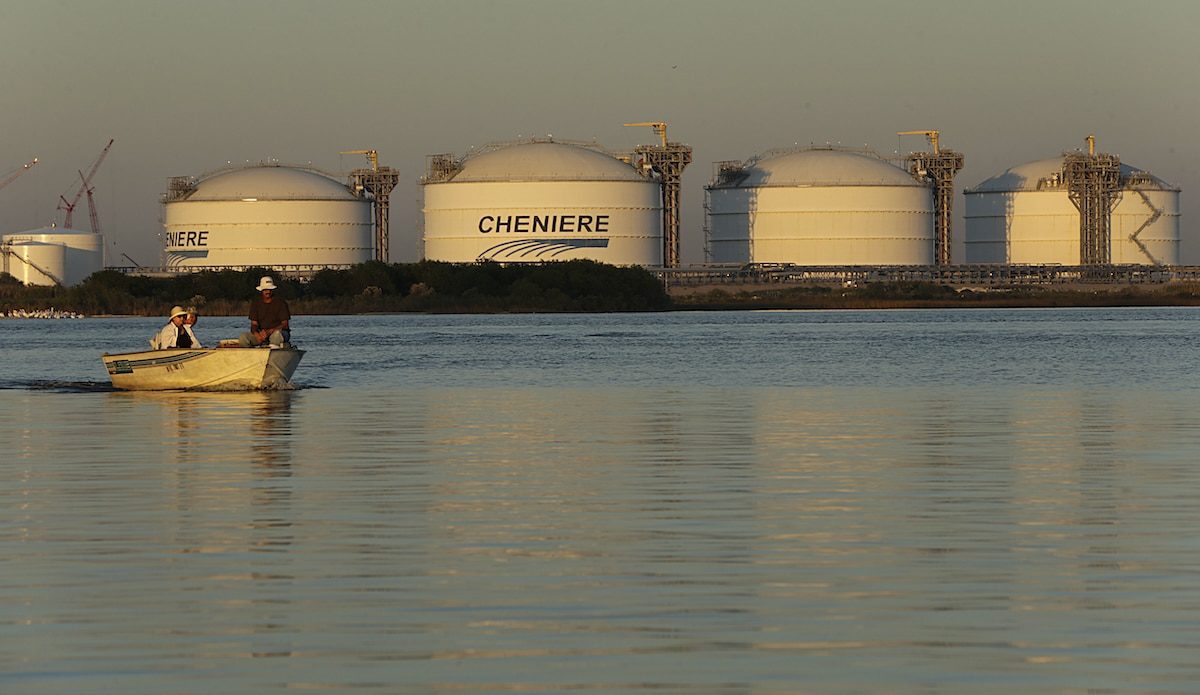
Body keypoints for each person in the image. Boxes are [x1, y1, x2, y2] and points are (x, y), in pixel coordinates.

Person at [238, 275, 291, 347]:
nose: (268, 291)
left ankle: (273, 352)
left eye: (270, 289)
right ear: (261, 290)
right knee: (243, 337)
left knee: (277, 334)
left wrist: (269, 331)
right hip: (262, 333)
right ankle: (251, 355)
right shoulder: (255, 303)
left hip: (279, 332)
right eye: (266, 289)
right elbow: (254, 324)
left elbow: (285, 324)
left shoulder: (281, 303)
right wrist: (256, 334)